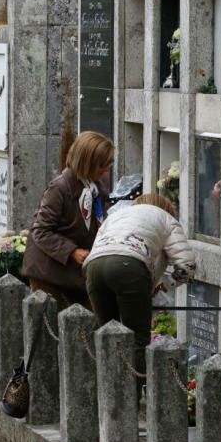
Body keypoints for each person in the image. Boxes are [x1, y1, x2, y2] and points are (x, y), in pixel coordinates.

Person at [84, 194, 196, 377]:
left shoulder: (115, 217)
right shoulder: (167, 220)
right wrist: (161, 287)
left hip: (93, 268)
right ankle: (131, 399)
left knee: (107, 335)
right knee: (137, 339)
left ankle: (105, 395)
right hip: (130, 266)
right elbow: (187, 267)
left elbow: (97, 248)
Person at [21, 131, 115, 309]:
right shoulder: (60, 187)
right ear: (87, 162)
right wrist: (72, 251)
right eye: (102, 166)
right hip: (48, 273)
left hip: (76, 273)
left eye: (109, 165)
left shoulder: (97, 189)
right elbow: (40, 231)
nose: (106, 171)